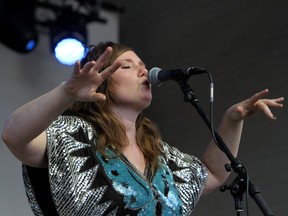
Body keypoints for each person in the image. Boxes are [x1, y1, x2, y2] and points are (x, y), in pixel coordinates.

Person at [1, 41, 284, 216]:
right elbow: (14, 135)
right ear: (101, 79)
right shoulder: (71, 134)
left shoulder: (159, 154)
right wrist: (67, 92)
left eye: (143, 65)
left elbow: (210, 174)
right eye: (127, 66)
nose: (143, 71)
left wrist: (233, 119)